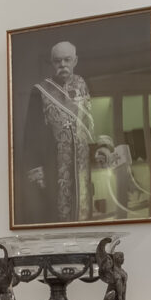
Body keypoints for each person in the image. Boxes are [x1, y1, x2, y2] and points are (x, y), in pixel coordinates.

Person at [16, 40, 89, 223]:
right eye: (57, 61)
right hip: (53, 167)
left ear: (75, 61)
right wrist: (37, 172)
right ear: (52, 63)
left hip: (82, 168)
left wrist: (104, 147)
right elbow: (31, 135)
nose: (62, 65)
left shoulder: (83, 85)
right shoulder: (40, 91)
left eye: (67, 60)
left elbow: (91, 125)